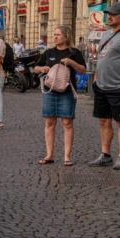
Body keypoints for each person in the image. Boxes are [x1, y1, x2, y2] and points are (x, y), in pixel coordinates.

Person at [88, 1, 120, 170]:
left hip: (119, 86)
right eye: (108, 14)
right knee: (103, 121)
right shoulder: (106, 33)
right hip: (101, 85)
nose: (108, 17)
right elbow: (102, 56)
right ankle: (105, 154)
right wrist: (96, 76)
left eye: (112, 14)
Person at [33, 26, 86, 166]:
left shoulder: (74, 52)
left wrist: (72, 62)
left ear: (66, 36)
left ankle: (67, 156)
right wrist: (42, 68)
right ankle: (49, 155)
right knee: (49, 123)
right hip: (49, 91)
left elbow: (83, 70)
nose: (55, 37)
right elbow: (35, 68)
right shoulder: (49, 52)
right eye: (54, 34)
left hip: (67, 92)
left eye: (58, 35)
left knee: (67, 123)